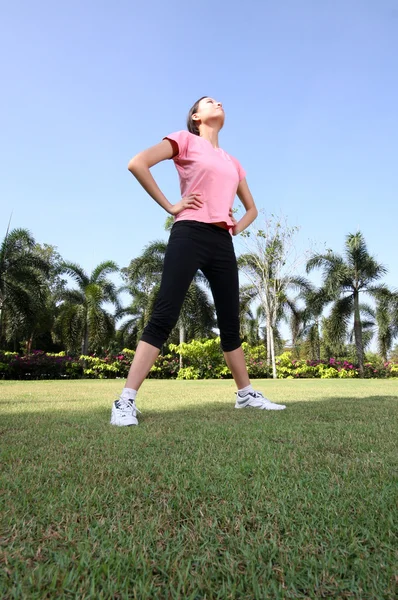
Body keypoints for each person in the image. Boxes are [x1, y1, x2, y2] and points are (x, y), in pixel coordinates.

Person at [111, 96, 286, 426]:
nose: (217, 103)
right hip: (189, 232)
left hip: (221, 242)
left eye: (218, 100)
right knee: (165, 311)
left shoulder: (233, 162)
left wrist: (234, 225)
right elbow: (137, 163)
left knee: (230, 321)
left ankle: (245, 394)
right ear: (196, 116)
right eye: (209, 101)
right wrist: (171, 205)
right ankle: (125, 401)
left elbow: (252, 209)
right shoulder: (184, 140)